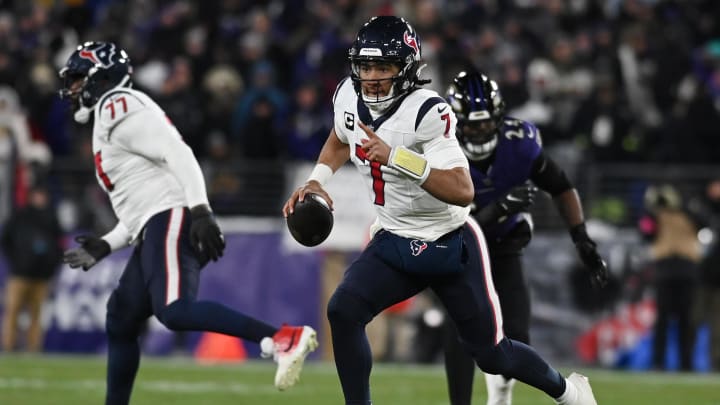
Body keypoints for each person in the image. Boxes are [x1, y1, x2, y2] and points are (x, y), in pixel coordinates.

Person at [282, 16, 598, 405]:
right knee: (344, 311)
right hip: (394, 239)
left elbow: (462, 190)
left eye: (384, 66)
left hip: (448, 244)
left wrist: (398, 157)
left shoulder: (427, 111)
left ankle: (569, 392)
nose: (373, 76)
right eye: (366, 66)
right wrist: (317, 179)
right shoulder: (348, 95)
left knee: (493, 354)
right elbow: (340, 136)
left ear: (407, 68)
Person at [58, 41, 317, 404]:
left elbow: (177, 153)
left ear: (100, 78)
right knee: (121, 317)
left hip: (172, 216)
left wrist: (200, 210)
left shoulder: (116, 104)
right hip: (156, 220)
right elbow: (142, 201)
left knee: (175, 310)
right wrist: (109, 243)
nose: (71, 89)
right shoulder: (109, 115)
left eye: (77, 79)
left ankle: (282, 339)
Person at [441, 69, 610, 405]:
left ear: (499, 117)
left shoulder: (519, 144)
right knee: (459, 328)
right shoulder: (439, 147)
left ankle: (501, 394)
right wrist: (501, 207)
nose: (477, 131)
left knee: (517, 333)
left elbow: (561, 187)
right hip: (457, 249)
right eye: (471, 125)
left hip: (504, 247)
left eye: (485, 123)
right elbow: (451, 223)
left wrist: (582, 239)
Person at [1, 184, 63, 352]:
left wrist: (51, 266)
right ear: (31, 197)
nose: (41, 199)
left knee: (36, 314)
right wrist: (16, 261)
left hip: (41, 275)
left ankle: (33, 347)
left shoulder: (51, 218)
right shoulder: (19, 216)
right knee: (13, 311)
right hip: (19, 274)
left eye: (43, 195)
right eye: (38, 195)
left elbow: (59, 245)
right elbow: (6, 240)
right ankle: (8, 345)